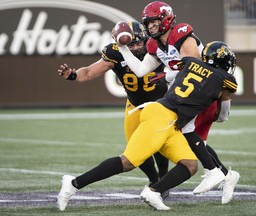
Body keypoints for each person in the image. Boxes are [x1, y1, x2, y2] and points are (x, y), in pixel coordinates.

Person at [57, 40, 238, 211]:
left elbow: (170, 73)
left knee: (190, 165)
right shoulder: (224, 79)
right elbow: (222, 115)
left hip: (168, 117)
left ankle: (154, 191)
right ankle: (73, 184)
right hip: (161, 117)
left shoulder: (190, 63)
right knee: (128, 162)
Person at [118, 1, 240, 202]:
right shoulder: (155, 44)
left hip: (201, 92)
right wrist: (123, 49)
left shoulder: (181, 34)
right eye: (148, 24)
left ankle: (217, 173)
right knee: (190, 139)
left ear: (166, 19)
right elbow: (140, 71)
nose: (150, 27)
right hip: (187, 92)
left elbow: (195, 68)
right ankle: (224, 174)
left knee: (190, 137)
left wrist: (167, 75)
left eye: (154, 23)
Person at [57, 21, 170, 197]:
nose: (137, 47)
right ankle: (154, 180)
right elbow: (88, 72)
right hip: (134, 106)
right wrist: (73, 75)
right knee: (135, 148)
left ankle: (163, 179)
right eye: (131, 43)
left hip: (160, 105)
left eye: (140, 42)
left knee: (161, 145)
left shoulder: (156, 48)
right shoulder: (115, 53)